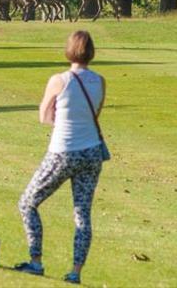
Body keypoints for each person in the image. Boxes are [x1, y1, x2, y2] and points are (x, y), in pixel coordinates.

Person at [14, 30, 108, 284]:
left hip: (63, 150)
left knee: (27, 203)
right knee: (82, 213)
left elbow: (44, 117)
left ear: (69, 50)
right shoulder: (100, 81)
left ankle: (35, 261)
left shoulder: (59, 80)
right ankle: (75, 272)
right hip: (92, 152)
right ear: (91, 52)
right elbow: (94, 114)